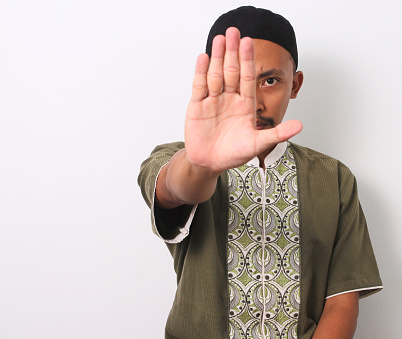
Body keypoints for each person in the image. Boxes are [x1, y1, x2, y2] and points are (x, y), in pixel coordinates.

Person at [138, 6, 382, 339]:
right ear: (212, 80)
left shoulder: (334, 179)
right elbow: (176, 189)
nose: (252, 102)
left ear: (294, 85)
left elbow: (341, 300)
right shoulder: (179, 158)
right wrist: (199, 164)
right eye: (235, 82)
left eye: (269, 81)